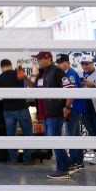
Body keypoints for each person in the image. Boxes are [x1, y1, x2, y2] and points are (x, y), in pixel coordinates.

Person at [23, 51, 74, 179]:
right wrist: (25, 78)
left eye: (39, 59)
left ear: (48, 59)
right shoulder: (42, 73)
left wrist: (67, 107)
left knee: (55, 140)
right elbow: (34, 88)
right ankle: (66, 166)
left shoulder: (57, 71)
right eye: (37, 59)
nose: (38, 62)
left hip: (54, 112)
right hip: (45, 114)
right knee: (53, 141)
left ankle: (62, 169)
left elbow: (70, 89)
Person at [0, 58, 34, 165]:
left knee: (10, 135)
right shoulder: (18, 73)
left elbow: (0, 96)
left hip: (8, 109)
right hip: (21, 107)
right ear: (11, 65)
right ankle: (27, 159)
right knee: (27, 133)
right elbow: (30, 85)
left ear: (1, 67)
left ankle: (13, 159)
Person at [56, 54, 87, 172]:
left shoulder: (70, 73)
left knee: (72, 134)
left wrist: (67, 107)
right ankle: (78, 161)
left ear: (67, 62)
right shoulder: (67, 73)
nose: (59, 65)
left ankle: (74, 161)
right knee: (75, 134)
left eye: (61, 62)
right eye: (58, 63)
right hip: (73, 107)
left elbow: (72, 91)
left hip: (73, 108)